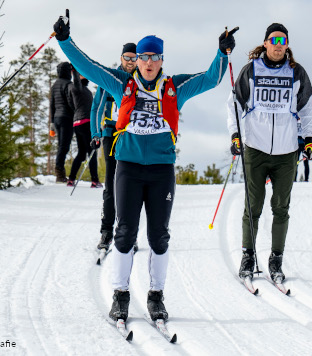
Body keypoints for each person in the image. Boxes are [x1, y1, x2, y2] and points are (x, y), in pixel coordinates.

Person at [53, 12, 232, 323]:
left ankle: (156, 296)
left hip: (162, 170)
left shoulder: (175, 87)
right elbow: (87, 67)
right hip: (128, 168)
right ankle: (120, 296)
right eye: (144, 56)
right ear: (136, 60)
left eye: (155, 57)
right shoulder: (121, 83)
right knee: (124, 233)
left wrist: (223, 52)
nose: (148, 62)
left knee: (159, 236)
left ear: (161, 60)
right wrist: (65, 40)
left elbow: (211, 78)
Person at [228, 23, 312, 283]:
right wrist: (235, 134)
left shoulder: (296, 72)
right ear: (265, 43)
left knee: (281, 207)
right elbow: (234, 102)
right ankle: (248, 255)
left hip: (287, 152)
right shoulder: (252, 70)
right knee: (253, 206)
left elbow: (308, 108)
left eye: (283, 40)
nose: (278, 44)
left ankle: (276, 258)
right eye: (273, 39)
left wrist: (308, 139)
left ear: (287, 45)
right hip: (255, 148)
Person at [91, 43, 137, 253]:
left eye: (133, 58)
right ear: (121, 58)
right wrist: (95, 133)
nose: (129, 61)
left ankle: (128, 232)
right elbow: (97, 107)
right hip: (111, 135)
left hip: (132, 136)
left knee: (130, 186)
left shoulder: (141, 79)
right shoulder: (111, 78)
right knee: (111, 183)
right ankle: (106, 231)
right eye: (126, 57)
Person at [67, 67, 100, 187]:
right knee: (92, 151)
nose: (84, 75)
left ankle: (71, 179)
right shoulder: (76, 87)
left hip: (79, 123)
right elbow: (76, 81)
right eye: (81, 74)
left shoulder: (85, 90)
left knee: (81, 153)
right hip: (85, 122)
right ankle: (95, 180)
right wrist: (75, 69)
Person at [49, 61, 75, 183]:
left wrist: (51, 124)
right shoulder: (69, 84)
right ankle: (59, 173)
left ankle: (60, 173)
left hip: (57, 119)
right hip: (67, 119)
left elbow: (51, 106)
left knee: (61, 146)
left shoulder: (54, 85)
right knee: (64, 147)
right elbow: (71, 103)